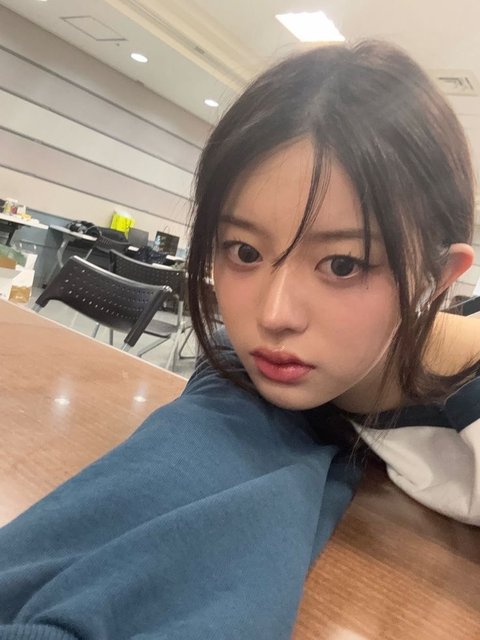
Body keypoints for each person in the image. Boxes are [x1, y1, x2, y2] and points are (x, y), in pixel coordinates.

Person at [0, 39, 478, 639]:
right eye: (244, 252)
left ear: (437, 277)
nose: (273, 315)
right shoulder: (246, 374)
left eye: (343, 264)